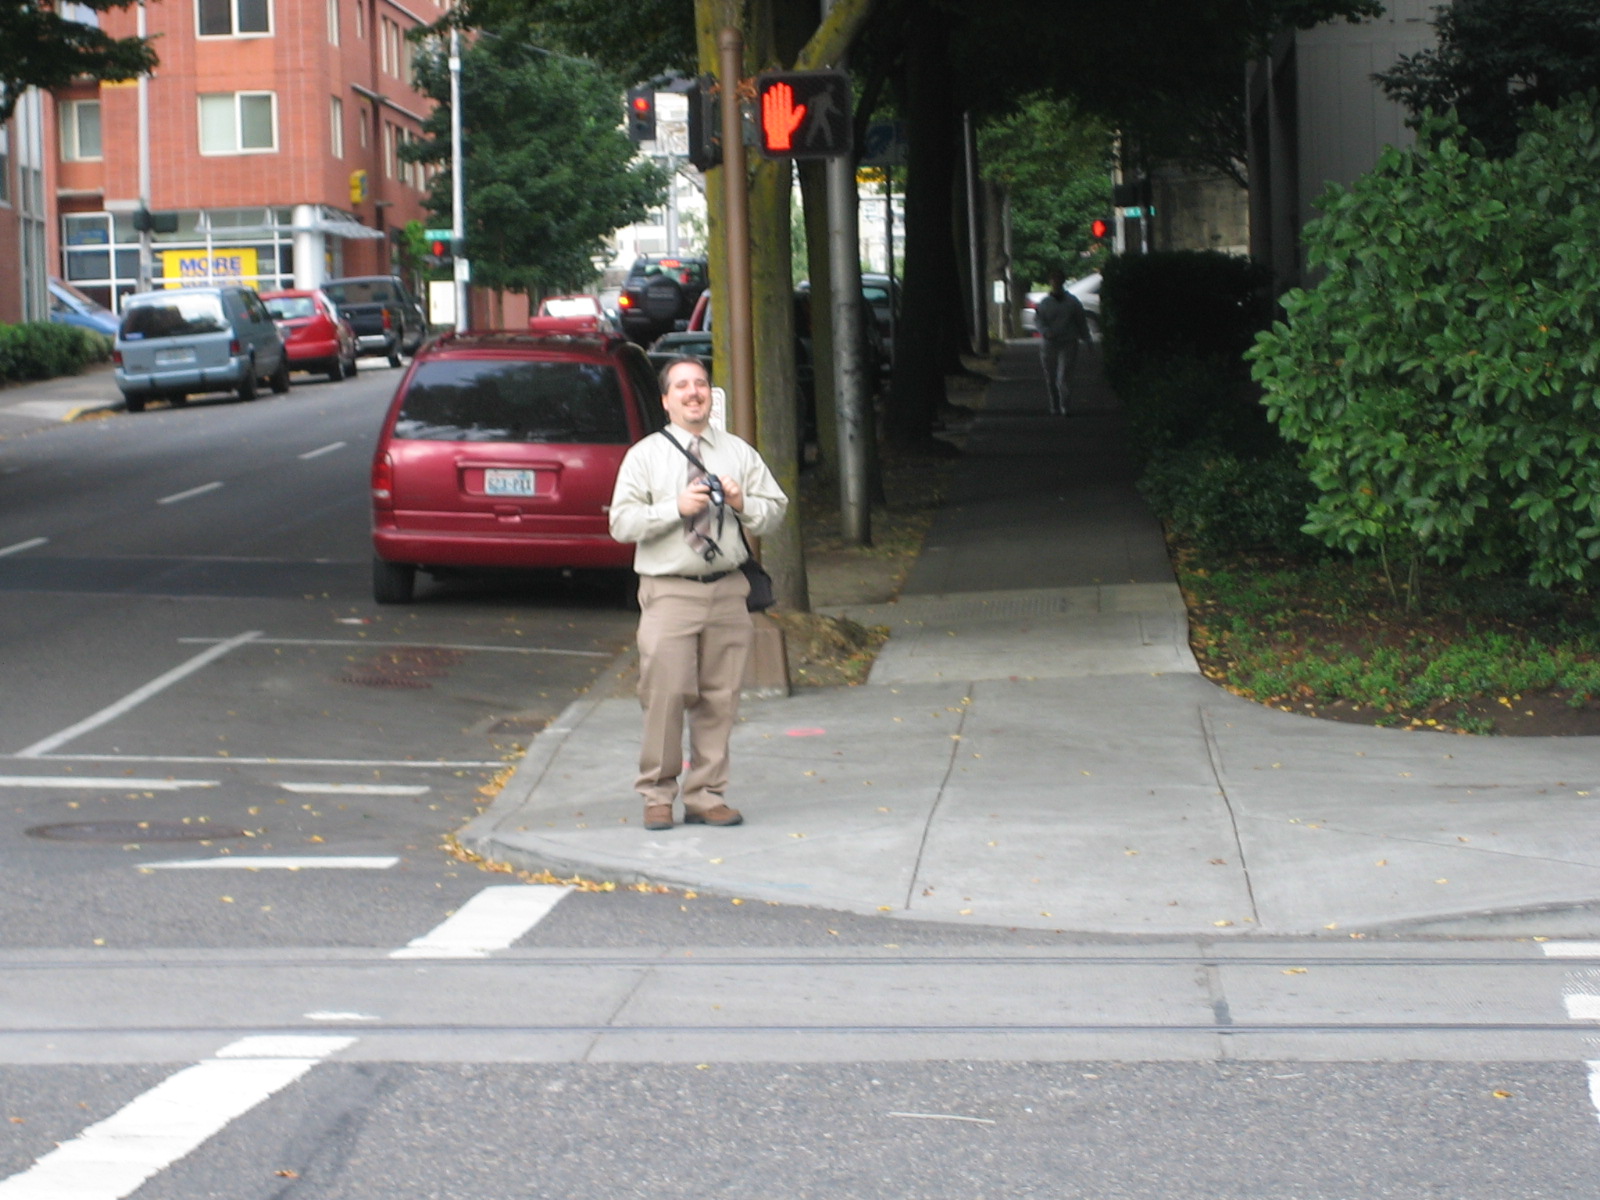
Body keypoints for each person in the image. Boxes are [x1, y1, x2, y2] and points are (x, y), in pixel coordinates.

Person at [608, 356, 789, 831]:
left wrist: (741, 502)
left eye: (701, 385)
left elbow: (775, 511)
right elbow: (621, 524)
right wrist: (674, 507)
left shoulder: (738, 453)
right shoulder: (645, 456)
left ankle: (707, 794)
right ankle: (657, 795)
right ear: (666, 400)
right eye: (682, 387)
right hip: (670, 591)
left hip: (728, 589)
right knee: (665, 694)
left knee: (720, 697)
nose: (694, 393)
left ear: (711, 395)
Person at [1034, 268, 1091, 415]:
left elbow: (1081, 322)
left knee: (1064, 375)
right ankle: (1054, 404)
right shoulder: (1045, 303)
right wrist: (1046, 332)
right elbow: (1039, 320)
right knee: (1050, 376)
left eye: (1058, 280)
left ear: (1063, 282)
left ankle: (1065, 405)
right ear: (1050, 282)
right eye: (1054, 280)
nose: (1056, 283)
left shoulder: (1073, 302)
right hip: (1049, 343)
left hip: (1068, 341)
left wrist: (1087, 340)